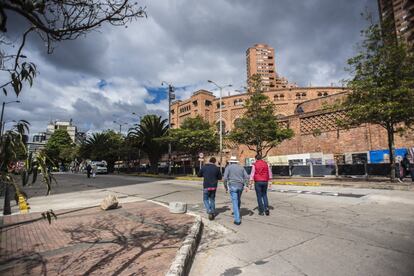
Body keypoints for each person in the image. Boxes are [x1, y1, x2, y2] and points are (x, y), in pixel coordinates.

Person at [223, 156, 249, 225]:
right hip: (240, 186)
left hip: (232, 186)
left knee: (235, 201)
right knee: (238, 199)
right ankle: (237, 210)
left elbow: (225, 178)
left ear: (230, 162)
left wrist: (226, 187)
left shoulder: (228, 168)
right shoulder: (241, 167)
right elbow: (247, 177)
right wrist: (246, 185)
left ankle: (237, 219)